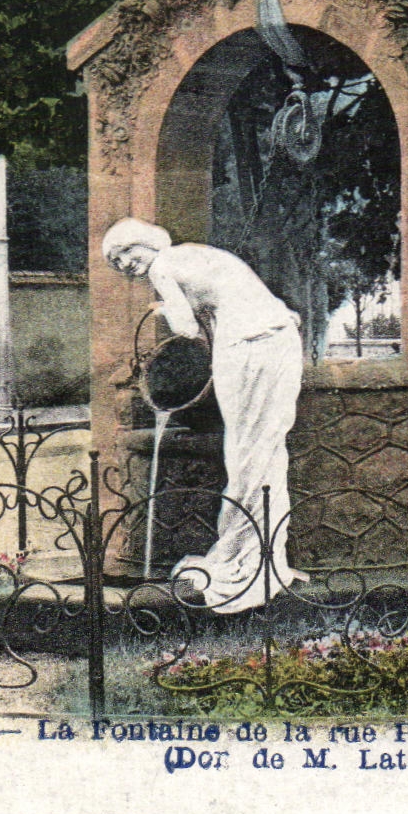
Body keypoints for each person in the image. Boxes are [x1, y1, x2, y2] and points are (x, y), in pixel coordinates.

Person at [102, 218, 306, 612]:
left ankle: (242, 554)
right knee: (265, 450)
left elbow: (186, 330)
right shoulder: (197, 254)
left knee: (246, 453)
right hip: (278, 337)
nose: (126, 263)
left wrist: (162, 309)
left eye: (129, 251)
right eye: (117, 260)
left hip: (246, 347)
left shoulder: (164, 266)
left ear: (149, 243)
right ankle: (262, 548)